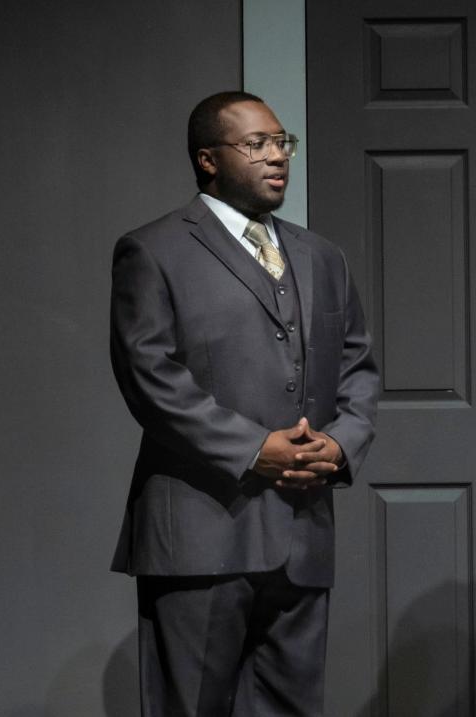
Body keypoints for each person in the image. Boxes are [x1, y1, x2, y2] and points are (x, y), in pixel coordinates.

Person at [109, 91, 379, 716]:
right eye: (255, 145)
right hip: (203, 530)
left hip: (302, 530)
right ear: (208, 159)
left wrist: (340, 444)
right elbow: (149, 376)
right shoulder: (154, 250)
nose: (276, 157)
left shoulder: (321, 255)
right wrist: (255, 448)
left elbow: (359, 368)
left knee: (291, 706)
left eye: (282, 143)